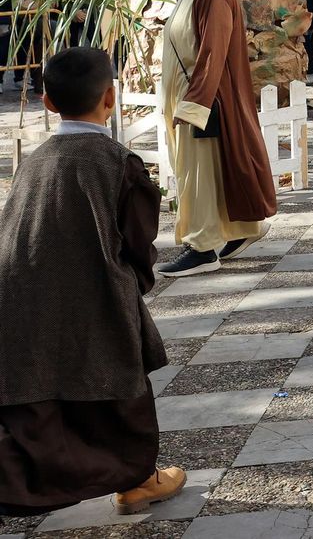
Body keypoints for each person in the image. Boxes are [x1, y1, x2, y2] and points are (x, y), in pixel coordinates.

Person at [0, 48, 184, 517]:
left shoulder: (33, 162)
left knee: (39, 389)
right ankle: (137, 480)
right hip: (92, 292)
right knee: (116, 380)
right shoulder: (118, 162)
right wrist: (130, 287)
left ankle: (22, 483)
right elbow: (137, 243)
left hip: (19, 297)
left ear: (47, 102)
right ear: (110, 97)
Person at [155, 0, 277, 277]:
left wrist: (195, 103)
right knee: (211, 169)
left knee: (197, 174)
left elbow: (213, 51)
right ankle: (243, 228)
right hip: (196, 95)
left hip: (204, 99)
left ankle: (202, 246)